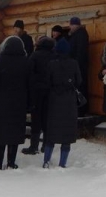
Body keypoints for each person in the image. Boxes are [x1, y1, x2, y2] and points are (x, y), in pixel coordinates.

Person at [0, 36, 31, 169]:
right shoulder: (25, 62)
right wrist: (30, 103)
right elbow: (30, 84)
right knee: (15, 133)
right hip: (19, 103)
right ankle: (11, 162)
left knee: (0, 133)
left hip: (1, 102)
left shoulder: (1, 61)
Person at [43, 38, 81, 168]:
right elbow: (79, 80)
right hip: (69, 101)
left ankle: (46, 161)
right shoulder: (74, 63)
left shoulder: (51, 64)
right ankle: (62, 163)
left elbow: (47, 82)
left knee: (51, 134)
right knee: (67, 134)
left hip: (54, 100)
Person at [22, 36, 55, 155]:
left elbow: (28, 72)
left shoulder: (35, 55)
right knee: (47, 117)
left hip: (36, 91)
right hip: (50, 91)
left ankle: (33, 146)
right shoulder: (54, 56)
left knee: (36, 118)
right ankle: (46, 145)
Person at [67, 17, 89, 116]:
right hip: (76, 67)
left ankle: (81, 110)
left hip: (79, 68)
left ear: (76, 25)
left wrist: (75, 66)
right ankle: (77, 109)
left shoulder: (81, 34)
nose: (70, 27)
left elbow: (80, 52)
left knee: (80, 88)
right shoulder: (75, 35)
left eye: (72, 25)